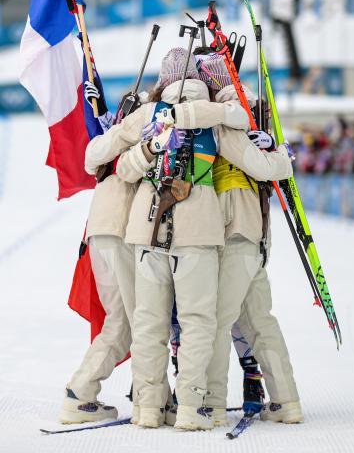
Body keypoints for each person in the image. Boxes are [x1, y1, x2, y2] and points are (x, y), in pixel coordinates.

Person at [87, 47, 250, 430]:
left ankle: (147, 408)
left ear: (163, 80)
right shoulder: (216, 117)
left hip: (147, 229)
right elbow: (249, 147)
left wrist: (147, 148)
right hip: (200, 232)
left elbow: (109, 161)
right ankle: (191, 409)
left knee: (148, 322)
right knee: (197, 321)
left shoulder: (149, 114)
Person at [197, 53, 302, 426]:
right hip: (252, 231)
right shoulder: (244, 110)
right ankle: (285, 401)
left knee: (217, 319)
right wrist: (273, 145)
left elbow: (260, 163)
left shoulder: (227, 115)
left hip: (236, 228)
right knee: (259, 321)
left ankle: (210, 400)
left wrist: (276, 153)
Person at [60, 84, 154, 425]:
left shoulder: (114, 136)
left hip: (101, 233)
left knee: (122, 321)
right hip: (120, 231)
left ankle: (81, 393)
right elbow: (92, 160)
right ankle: (150, 397)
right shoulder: (129, 135)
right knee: (139, 318)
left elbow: (91, 159)